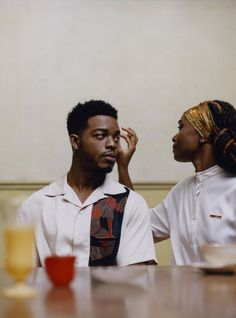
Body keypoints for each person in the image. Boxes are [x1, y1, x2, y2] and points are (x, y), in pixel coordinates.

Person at [16, 100, 156, 267]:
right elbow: (23, 278)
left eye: (116, 137)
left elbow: (137, 281)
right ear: (75, 141)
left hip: (114, 294)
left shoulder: (132, 203)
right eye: (100, 135)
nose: (112, 144)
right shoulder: (35, 205)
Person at [118, 100, 236, 265]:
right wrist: (123, 168)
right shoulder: (180, 191)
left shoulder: (233, 188)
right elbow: (141, 229)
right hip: (179, 290)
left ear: (203, 134)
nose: (174, 137)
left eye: (181, 127)